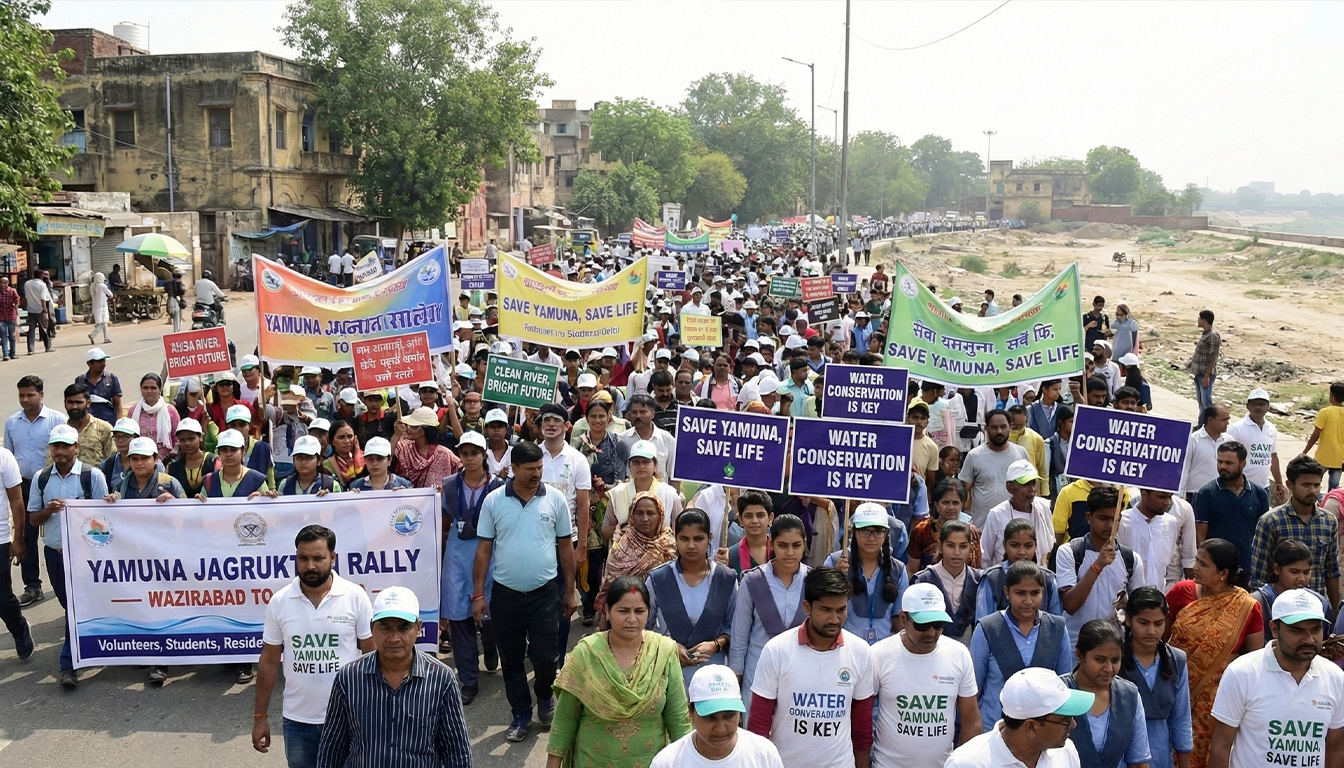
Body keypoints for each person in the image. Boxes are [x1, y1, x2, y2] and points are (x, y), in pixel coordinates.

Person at [472, 441, 576, 743]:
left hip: (545, 594)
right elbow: (483, 550)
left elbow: (565, 547)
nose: (536, 474)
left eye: (539, 468)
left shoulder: (555, 499)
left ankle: (545, 697)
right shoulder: (493, 501)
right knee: (512, 659)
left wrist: (570, 592)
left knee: (545, 657)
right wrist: (478, 595)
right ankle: (520, 712)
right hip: (506, 595)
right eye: (529, 469)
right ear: (513, 469)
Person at [252, 523, 375, 768]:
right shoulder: (280, 602)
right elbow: (268, 660)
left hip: (350, 719)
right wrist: (260, 717)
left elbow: (372, 655)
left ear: (333, 558)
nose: (309, 565)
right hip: (298, 722)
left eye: (318, 558)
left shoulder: (355, 596)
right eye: (303, 558)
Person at [316, 586, 471, 768]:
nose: (394, 638)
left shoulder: (441, 679)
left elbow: (457, 752)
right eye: (385, 628)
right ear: (372, 627)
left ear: (418, 628)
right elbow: (332, 749)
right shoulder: (349, 678)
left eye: (404, 628)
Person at [546, 575, 692, 768]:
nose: (632, 619)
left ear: (648, 613)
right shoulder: (586, 654)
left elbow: (679, 721)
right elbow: (565, 720)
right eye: (623, 611)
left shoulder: (662, 652)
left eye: (639, 611)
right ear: (607, 611)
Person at [746, 567, 875, 768]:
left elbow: (862, 728)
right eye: (826, 610)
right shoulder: (777, 650)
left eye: (841, 610)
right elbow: (758, 725)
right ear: (807, 607)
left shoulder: (860, 652)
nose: (834, 619)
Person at [1209, 588, 1344, 768]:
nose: (1309, 640)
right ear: (1274, 629)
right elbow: (1221, 746)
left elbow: (1335, 748)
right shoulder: (1242, 673)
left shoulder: (1335, 678)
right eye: (1297, 631)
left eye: (1316, 630)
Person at [1165, 538, 1264, 768]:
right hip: (1175, 689)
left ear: (1223, 573)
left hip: (1219, 698)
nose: (1195, 567)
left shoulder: (1247, 606)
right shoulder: (1182, 591)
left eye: (1203, 564)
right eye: (1196, 561)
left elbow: (1253, 659)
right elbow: (1160, 637)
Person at [28, 424, 110, 688]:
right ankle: (89, 643)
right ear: (50, 449)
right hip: (54, 553)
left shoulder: (91, 476)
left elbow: (104, 520)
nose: (60, 451)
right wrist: (49, 511)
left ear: (76, 447)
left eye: (65, 446)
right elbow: (32, 519)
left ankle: (69, 665)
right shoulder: (41, 479)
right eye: (56, 446)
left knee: (74, 608)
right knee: (69, 605)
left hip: (83, 556)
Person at [869, 583, 981, 767]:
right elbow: (860, 718)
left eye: (938, 625)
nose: (931, 633)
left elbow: (971, 720)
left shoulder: (959, 654)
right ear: (903, 618)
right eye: (923, 625)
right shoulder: (878, 655)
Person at [440, 431, 502, 703]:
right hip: (457, 553)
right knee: (458, 616)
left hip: (489, 552)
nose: (469, 458)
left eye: (474, 453)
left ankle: (490, 646)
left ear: (484, 455)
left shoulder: (499, 486)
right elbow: (443, 522)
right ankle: (468, 679)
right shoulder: (450, 485)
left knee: (488, 612)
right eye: (464, 453)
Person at [972, 559, 1073, 724]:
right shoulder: (987, 629)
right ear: (1007, 592)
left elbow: (1063, 686)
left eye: (1035, 593)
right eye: (1020, 593)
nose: (1028, 601)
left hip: (1041, 733)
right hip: (994, 730)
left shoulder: (1058, 628)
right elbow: (973, 689)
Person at [647, 509, 737, 686]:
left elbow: (734, 625)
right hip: (668, 667)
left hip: (714, 670)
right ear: (675, 537)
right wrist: (668, 646)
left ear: (709, 538)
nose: (691, 546)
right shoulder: (659, 578)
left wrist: (716, 644)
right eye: (684, 539)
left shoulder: (725, 578)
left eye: (698, 539)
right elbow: (644, 626)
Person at [729, 514, 811, 709]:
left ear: (804, 544)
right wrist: (735, 679)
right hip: (758, 673)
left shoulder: (813, 580)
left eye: (796, 545)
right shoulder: (752, 581)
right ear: (772, 544)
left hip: (801, 672)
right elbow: (740, 635)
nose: (790, 552)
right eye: (783, 545)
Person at [946, 666, 1092, 768]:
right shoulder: (966, 764)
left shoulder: (1066, 751)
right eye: (1065, 721)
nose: (1073, 725)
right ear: (1031, 727)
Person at [1057, 486, 1145, 645]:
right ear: (1089, 517)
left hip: (1115, 647)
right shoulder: (1069, 552)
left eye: (1115, 519)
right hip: (1075, 644)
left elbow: (1138, 610)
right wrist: (1097, 566)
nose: (1110, 525)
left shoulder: (1131, 559)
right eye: (1103, 518)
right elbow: (1070, 605)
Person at [650, 663, 784, 768]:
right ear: (691, 712)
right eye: (710, 717)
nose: (720, 728)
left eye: (729, 716)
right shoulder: (667, 762)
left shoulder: (764, 755)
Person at [6, 374, 66, 606]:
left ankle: (68, 580)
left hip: (52, 482)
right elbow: (9, 458)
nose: (25, 399)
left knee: (60, 535)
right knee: (26, 535)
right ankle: (32, 586)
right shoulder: (12, 423)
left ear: (41, 395)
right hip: (23, 485)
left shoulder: (57, 419)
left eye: (30, 395)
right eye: (22, 395)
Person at [1248, 455, 1339, 605]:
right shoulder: (1271, 521)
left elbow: (1332, 571)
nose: (1312, 490)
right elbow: (1258, 574)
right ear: (1289, 484)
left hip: (1315, 607)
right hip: (1279, 608)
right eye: (1306, 485)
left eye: (1317, 485)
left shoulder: (1329, 522)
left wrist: (1334, 609)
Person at [1062, 620, 1152, 768]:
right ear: (1079, 655)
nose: (1109, 668)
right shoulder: (1060, 692)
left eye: (1115, 660)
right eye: (1100, 660)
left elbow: (1138, 761)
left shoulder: (1129, 695)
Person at [1120, 587, 1192, 768]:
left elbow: (1181, 720)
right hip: (1120, 757)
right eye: (1143, 623)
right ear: (1128, 620)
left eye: (1158, 624)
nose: (1151, 631)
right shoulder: (1114, 659)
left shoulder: (1177, 660)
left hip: (1159, 757)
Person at [825, 502, 909, 644]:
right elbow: (823, 605)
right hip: (844, 647)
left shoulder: (898, 570)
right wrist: (836, 577)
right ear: (854, 531)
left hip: (884, 649)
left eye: (878, 531)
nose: (871, 538)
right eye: (864, 531)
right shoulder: (835, 562)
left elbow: (899, 617)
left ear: (886, 534)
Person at [1193, 441, 1268, 575]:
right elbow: (1200, 535)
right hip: (1217, 570)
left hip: (1248, 566)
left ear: (1243, 464)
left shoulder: (1259, 494)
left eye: (1229, 463)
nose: (1223, 467)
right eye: (1220, 462)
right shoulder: (1206, 493)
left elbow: (1262, 534)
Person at [597, 491, 675, 615]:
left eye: (650, 513)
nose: (645, 519)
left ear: (660, 515)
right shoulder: (621, 547)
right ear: (632, 516)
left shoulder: (670, 545)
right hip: (627, 611)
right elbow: (611, 587)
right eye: (639, 513)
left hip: (665, 610)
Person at [912, 519, 983, 643]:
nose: (957, 552)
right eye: (950, 545)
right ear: (940, 546)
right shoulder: (923, 580)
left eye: (963, 546)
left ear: (971, 548)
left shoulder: (979, 580)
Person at [976, 519, 1064, 620]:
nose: (1022, 552)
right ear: (1004, 545)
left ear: (1035, 546)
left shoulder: (1048, 579)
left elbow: (1056, 622)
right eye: (1014, 545)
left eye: (1028, 546)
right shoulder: (992, 578)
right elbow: (984, 622)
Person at [959, 410, 1030, 529]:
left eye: (1003, 427)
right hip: (982, 528)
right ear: (986, 428)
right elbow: (963, 491)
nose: (999, 431)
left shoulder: (1021, 453)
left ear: (1010, 427)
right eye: (994, 427)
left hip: (1016, 529)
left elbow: (1030, 486)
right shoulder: (974, 456)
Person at [1250, 539, 1332, 642]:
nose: (1301, 578)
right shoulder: (1258, 602)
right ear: (1276, 569)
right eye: (1294, 572)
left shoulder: (1319, 602)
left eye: (1306, 572)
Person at [981, 459, 1055, 569]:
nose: (1032, 489)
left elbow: (1051, 544)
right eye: (1026, 484)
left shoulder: (1043, 507)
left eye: (1033, 484)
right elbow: (985, 556)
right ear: (1010, 488)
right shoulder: (996, 515)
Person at [1120, 489, 1197, 592]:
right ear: (1144, 495)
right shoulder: (1122, 521)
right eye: (1162, 497)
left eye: (1170, 497)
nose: (1168, 503)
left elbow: (1167, 563)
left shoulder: (1170, 522)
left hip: (1160, 595)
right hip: (1128, 597)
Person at [910, 479, 982, 578]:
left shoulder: (971, 533)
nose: (951, 507)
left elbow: (976, 572)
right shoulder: (922, 531)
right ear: (936, 504)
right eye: (945, 502)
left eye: (956, 503)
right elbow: (911, 569)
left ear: (962, 504)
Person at [1226, 388, 1283, 500]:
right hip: (1241, 488)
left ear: (1268, 406)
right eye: (1254, 404)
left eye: (1262, 404)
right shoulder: (1237, 429)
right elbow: (1225, 458)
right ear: (1248, 406)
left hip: (1263, 488)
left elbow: (1273, 457)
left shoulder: (1271, 428)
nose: (1258, 407)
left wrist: (1279, 483)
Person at [0, 431, 28, 661]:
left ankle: (18, 628)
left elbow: (17, 500)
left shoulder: (3, 457)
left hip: (0, 539)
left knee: (2, 597)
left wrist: (18, 538)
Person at [393, 407, 460, 489]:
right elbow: (387, 455)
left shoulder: (444, 454)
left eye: (412, 426)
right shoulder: (404, 447)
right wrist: (396, 435)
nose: (407, 428)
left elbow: (461, 471)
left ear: (422, 431)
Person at [199, 429, 273, 504]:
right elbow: (202, 511)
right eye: (224, 450)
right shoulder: (209, 480)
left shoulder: (257, 480)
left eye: (233, 450)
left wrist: (264, 499)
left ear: (243, 451)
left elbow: (267, 512)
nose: (228, 454)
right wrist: (197, 503)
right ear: (218, 453)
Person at [1303, 381, 1344, 490]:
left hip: (1323, 457)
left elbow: (1315, 435)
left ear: (1332, 395)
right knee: (1333, 488)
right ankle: (1330, 506)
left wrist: (1305, 452)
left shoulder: (1325, 412)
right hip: (1339, 459)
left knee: (1313, 484)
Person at [129, 373, 180, 460]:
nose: (149, 391)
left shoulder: (170, 411)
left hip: (165, 460)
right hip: (140, 459)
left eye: (153, 388)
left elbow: (177, 437)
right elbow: (129, 436)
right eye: (145, 388)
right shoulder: (134, 411)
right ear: (141, 389)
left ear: (160, 389)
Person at [1184, 309, 1220, 426]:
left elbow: (1212, 357)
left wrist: (1207, 376)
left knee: (1207, 403)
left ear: (1204, 320)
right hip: (1198, 373)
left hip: (1205, 374)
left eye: (1199, 318)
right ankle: (1201, 425)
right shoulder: (1205, 334)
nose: (1198, 320)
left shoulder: (1213, 335)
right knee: (1201, 403)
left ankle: (1212, 425)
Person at [724, 490, 773, 575]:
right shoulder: (730, 556)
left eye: (760, 515)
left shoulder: (779, 551)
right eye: (748, 516)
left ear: (770, 518)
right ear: (740, 519)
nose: (754, 521)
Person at [347, 437, 413, 491]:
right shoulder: (355, 486)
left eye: (379, 459)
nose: (374, 463)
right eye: (370, 459)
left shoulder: (404, 484)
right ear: (365, 461)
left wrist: (405, 498)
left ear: (389, 460)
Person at [23, 270, 52, 354]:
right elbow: (43, 298)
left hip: (30, 309)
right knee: (44, 329)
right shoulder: (42, 285)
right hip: (40, 310)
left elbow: (26, 297)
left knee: (31, 329)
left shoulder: (27, 284)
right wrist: (45, 310)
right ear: (41, 276)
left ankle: (30, 349)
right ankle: (48, 347)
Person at [88, 272, 113, 344]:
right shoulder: (102, 286)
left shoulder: (93, 286)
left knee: (103, 323)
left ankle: (106, 338)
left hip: (96, 308)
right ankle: (92, 334)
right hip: (102, 307)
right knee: (102, 323)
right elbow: (110, 294)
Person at [0, 276, 18, 361]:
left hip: (11, 316)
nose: (3, 284)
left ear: (8, 283)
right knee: (3, 336)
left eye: (5, 283)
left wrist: (16, 309)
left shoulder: (12, 291)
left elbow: (17, 300)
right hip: (1, 317)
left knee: (12, 336)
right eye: (1, 283)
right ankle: (5, 354)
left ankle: (13, 353)